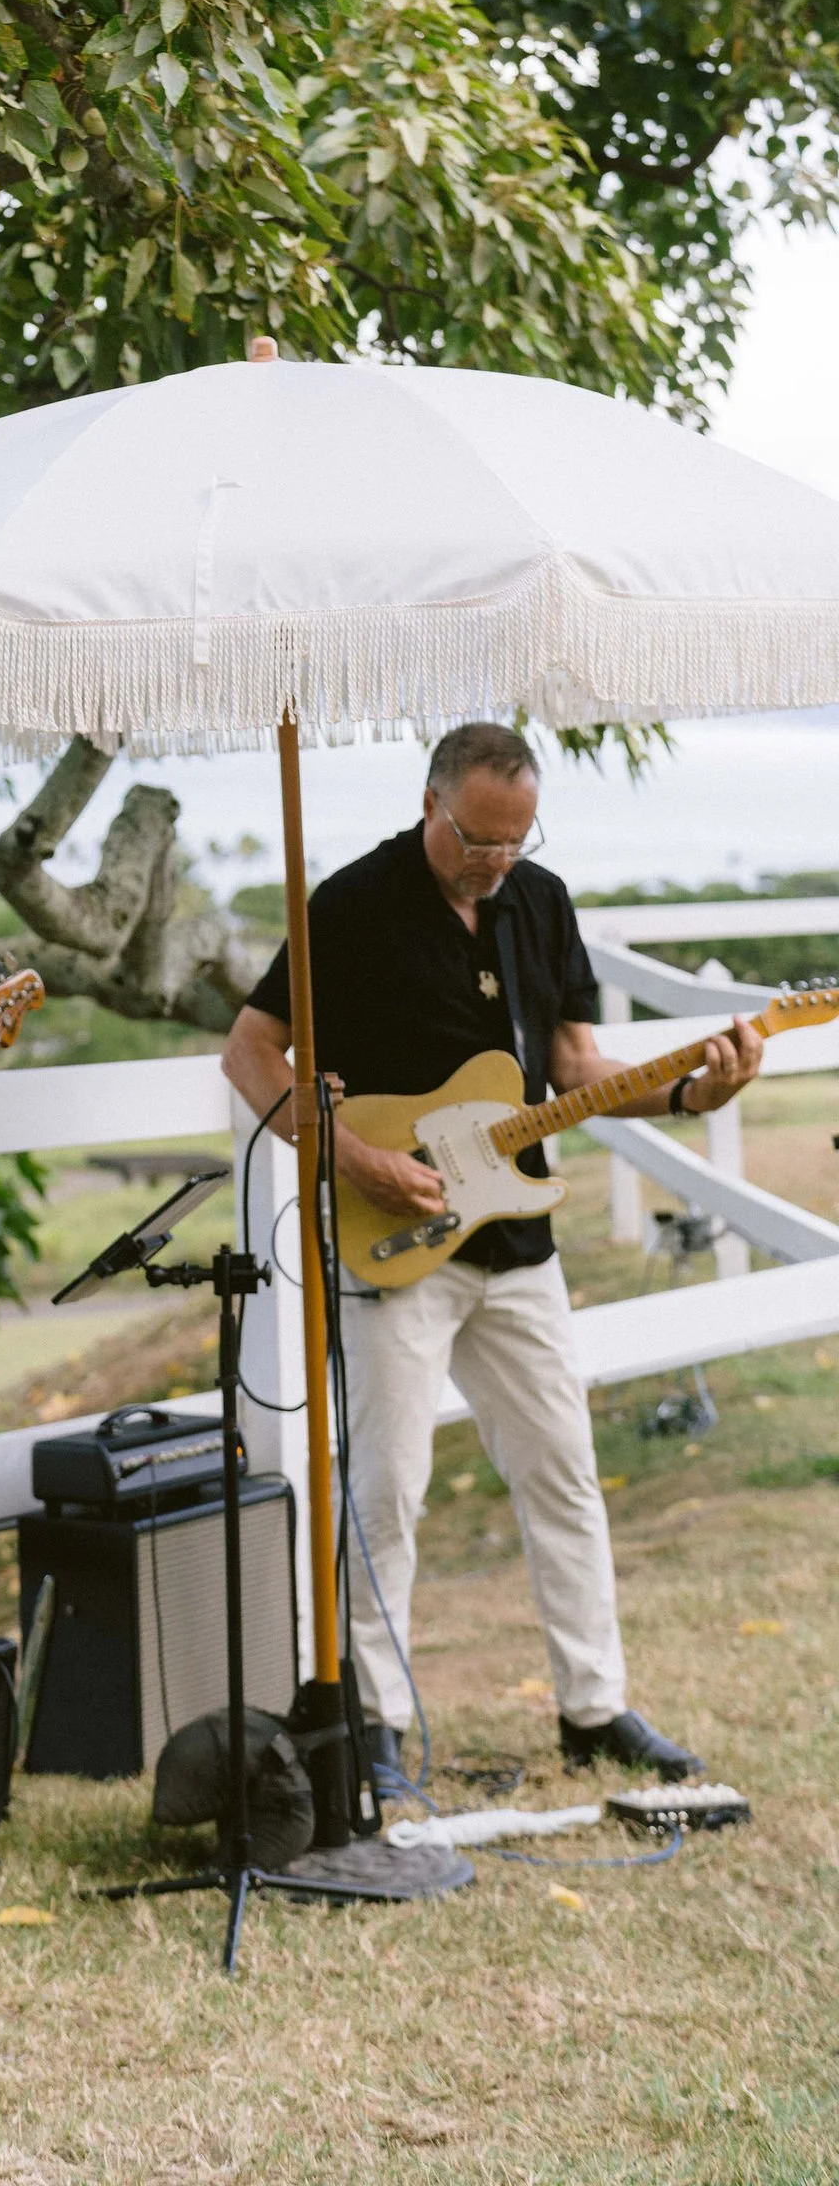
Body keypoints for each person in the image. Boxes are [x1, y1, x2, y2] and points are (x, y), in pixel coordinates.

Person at [222, 723, 761, 1787]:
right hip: (392, 1244)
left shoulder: (541, 900)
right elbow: (249, 1050)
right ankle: (371, 1728)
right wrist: (351, 1158)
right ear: (430, 803)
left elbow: (574, 1067)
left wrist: (696, 1090)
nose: (493, 862)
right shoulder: (349, 904)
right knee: (383, 1491)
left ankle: (592, 1708)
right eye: (474, 839)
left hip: (517, 1246)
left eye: (513, 841)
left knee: (562, 1475)